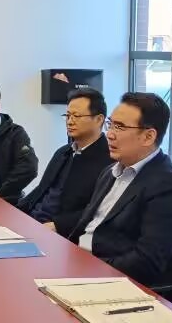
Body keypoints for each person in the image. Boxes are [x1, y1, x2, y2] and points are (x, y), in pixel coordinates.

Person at [68, 92, 172, 302]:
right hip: (80, 264)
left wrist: (89, 271)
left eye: (119, 127)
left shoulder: (170, 187)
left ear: (148, 137)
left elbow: (146, 263)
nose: (109, 134)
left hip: (118, 286)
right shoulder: (111, 172)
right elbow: (88, 226)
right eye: (110, 124)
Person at [18, 88, 113, 237]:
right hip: (32, 221)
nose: (70, 121)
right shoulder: (63, 152)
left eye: (77, 116)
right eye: (67, 116)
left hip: (59, 232)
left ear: (99, 119)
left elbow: (100, 210)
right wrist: (15, 211)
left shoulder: (110, 160)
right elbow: (41, 190)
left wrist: (58, 225)